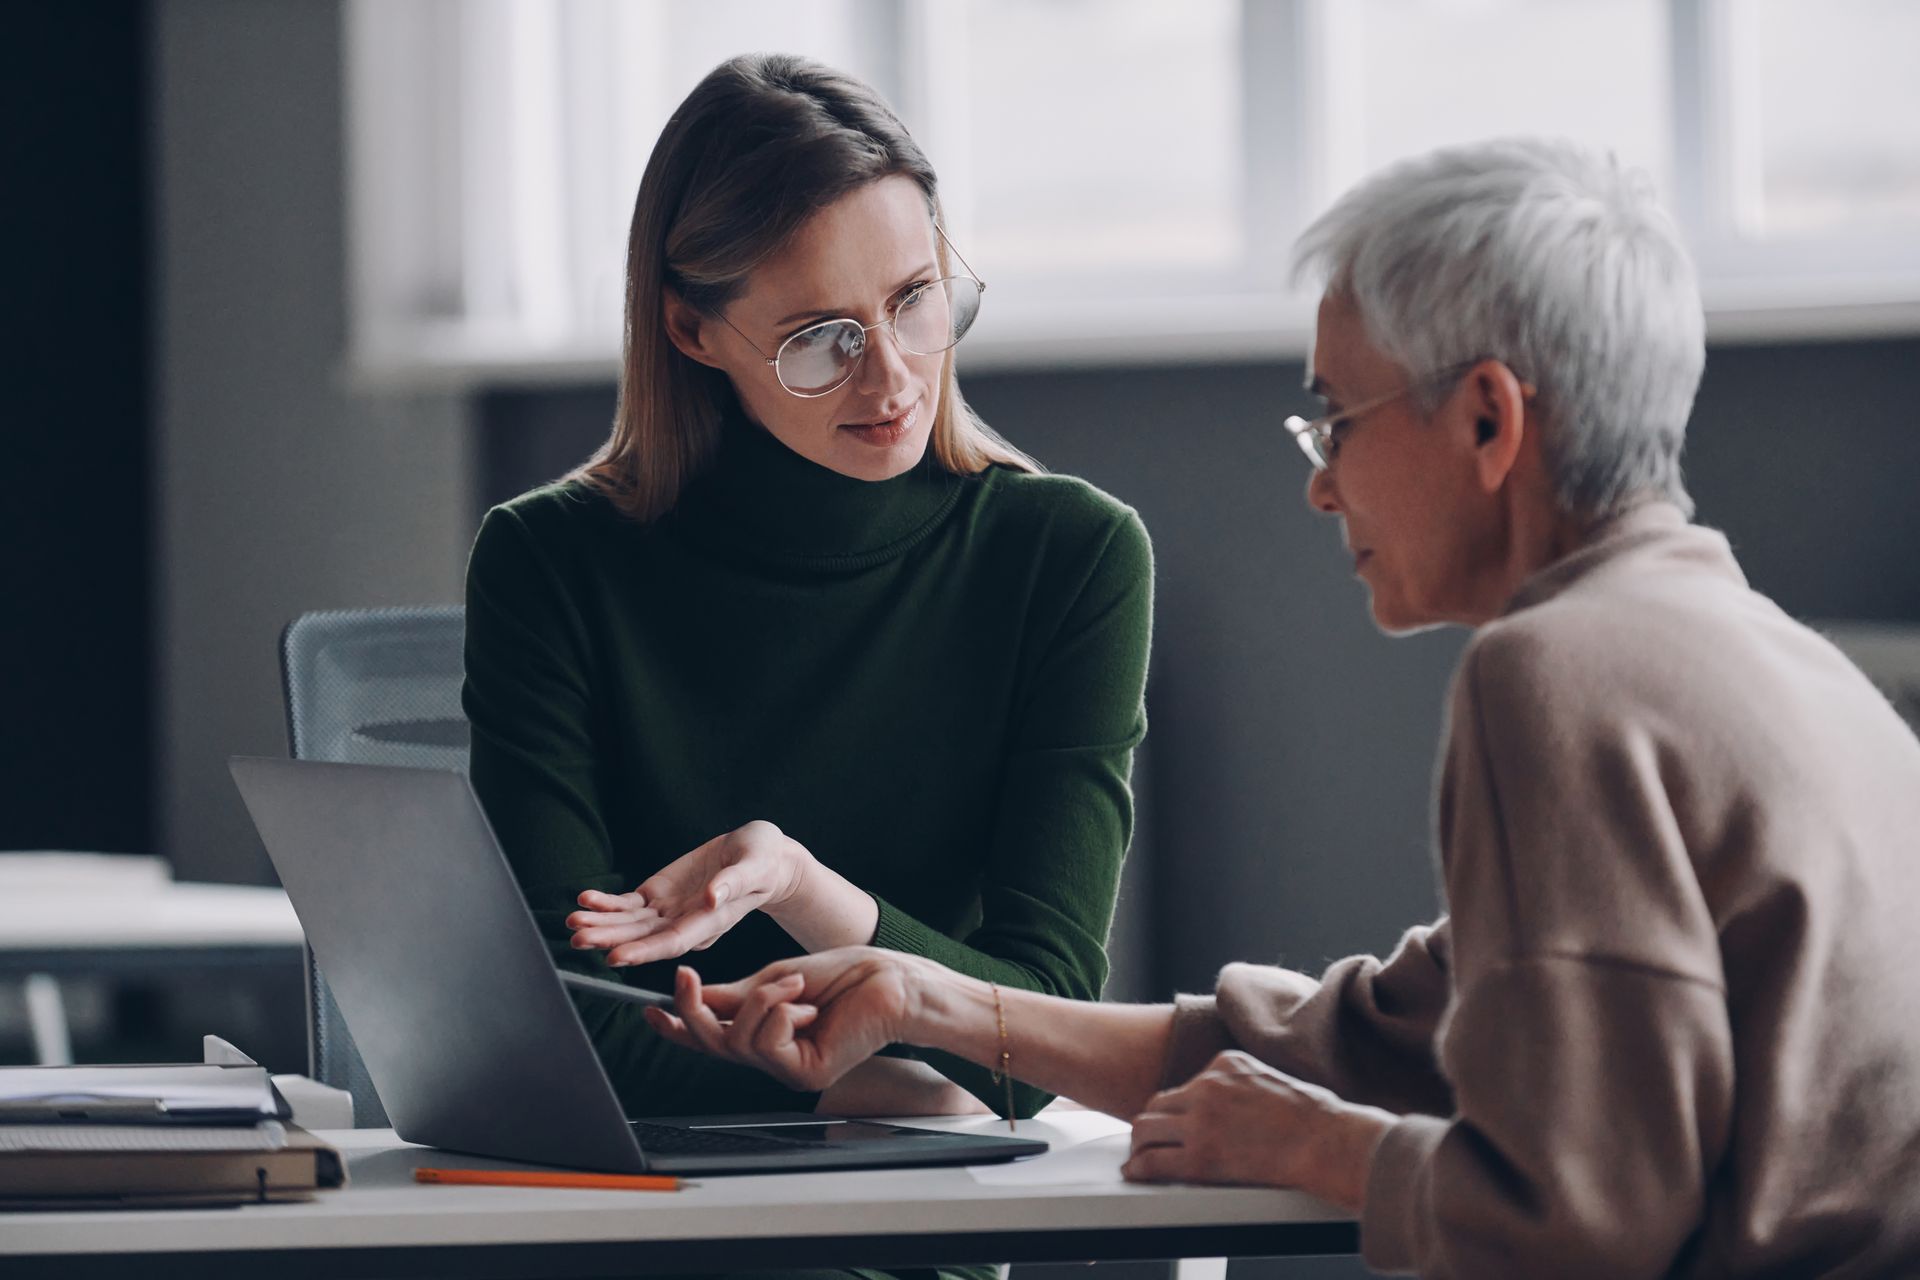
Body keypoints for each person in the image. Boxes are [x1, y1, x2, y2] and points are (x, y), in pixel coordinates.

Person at [640, 138, 1920, 1278]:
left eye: (1337, 419)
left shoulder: (1555, 672)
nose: (1320, 486)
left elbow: (1586, 1223)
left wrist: (1326, 1147)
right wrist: (930, 997)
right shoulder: (1789, 666)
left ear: (1486, 417)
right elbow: (1376, 1035)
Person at [462, 51, 1152, 1129]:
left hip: (903, 1208)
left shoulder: (1069, 558)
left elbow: (1035, 1042)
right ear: (693, 330)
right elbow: (550, 1027)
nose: (892, 378)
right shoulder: (550, 559)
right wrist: (865, 1078)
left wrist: (795, 885)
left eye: (916, 299)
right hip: (618, 1195)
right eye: (820, 339)